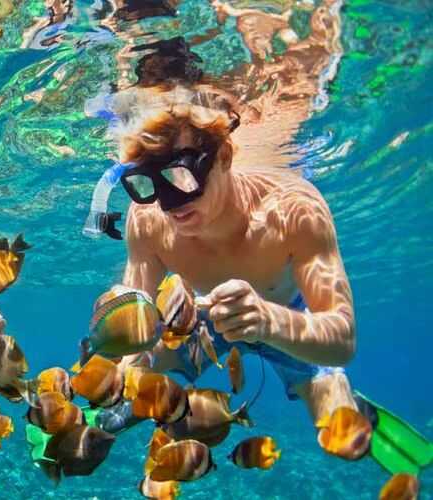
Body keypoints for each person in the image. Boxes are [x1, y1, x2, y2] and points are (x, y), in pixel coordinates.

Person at [87, 86, 429, 470]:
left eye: (181, 176)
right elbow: (136, 322)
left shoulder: (294, 210)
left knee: (340, 434)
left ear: (225, 156)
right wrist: (120, 373)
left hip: (287, 316)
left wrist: (267, 321)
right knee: (125, 379)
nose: (169, 203)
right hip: (196, 318)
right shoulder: (147, 219)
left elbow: (343, 338)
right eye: (146, 182)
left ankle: (352, 406)